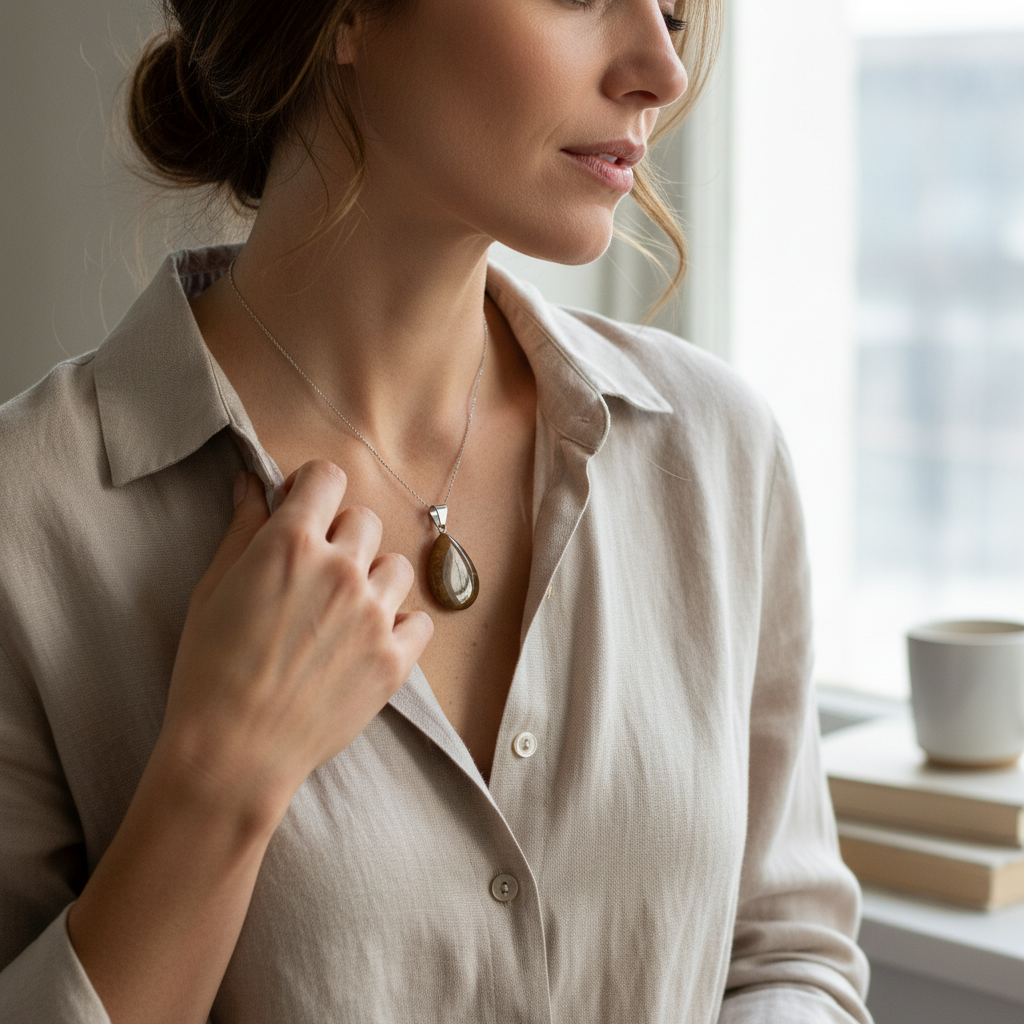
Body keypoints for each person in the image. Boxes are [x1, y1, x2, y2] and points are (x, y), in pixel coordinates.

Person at [0, 0, 873, 1021]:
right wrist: (216, 778)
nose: (661, 69)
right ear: (349, 14)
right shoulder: (31, 526)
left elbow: (789, 956)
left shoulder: (716, 453)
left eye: (674, 11)